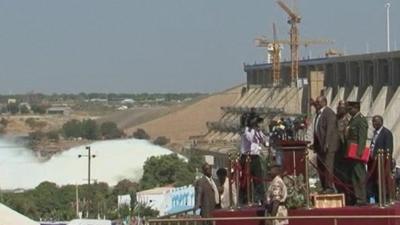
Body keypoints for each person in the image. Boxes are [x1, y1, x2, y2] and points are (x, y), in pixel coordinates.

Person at [313, 96, 339, 194]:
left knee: (328, 166)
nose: (316, 104)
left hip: (328, 146)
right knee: (321, 167)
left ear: (324, 102)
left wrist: (327, 143)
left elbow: (330, 130)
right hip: (320, 146)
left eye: (318, 102)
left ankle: (329, 187)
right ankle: (324, 186)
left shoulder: (329, 113)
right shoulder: (319, 114)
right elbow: (317, 130)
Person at [240, 116, 267, 204]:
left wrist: (259, 132)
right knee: (245, 180)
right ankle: (244, 199)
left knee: (258, 178)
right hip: (246, 156)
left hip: (255, 157)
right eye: (256, 122)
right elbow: (250, 138)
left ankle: (260, 198)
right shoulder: (246, 130)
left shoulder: (258, 131)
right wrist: (253, 129)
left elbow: (264, 141)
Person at [346, 101, 368, 205]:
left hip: (357, 153)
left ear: (356, 108)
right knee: (354, 176)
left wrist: (359, 153)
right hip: (351, 152)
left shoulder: (361, 120)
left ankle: (362, 198)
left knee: (360, 175)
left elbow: (362, 137)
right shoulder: (352, 120)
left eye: (350, 109)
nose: (349, 111)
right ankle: (358, 197)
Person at [367, 115, 393, 203]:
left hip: (382, 162)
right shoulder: (375, 133)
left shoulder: (386, 133)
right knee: (373, 182)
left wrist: (386, 162)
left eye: (376, 121)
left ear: (381, 122)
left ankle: (386, 199)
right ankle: (375, 199)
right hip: (373, 163)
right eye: (373, 121)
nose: (374, 123)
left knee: (382, 181)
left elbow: (389, 149)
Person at [334, 100, 352, 199]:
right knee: (337, 174)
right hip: (336, 150)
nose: (338, 109)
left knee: (346, 175)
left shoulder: (348, 119)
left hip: (345, 149)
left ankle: (349, 195)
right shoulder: (336, 118)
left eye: (341, 107)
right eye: (338, 107)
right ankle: (341, 192)